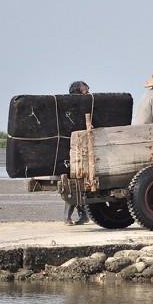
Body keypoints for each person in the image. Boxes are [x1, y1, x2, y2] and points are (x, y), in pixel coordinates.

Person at [64, 80, 90, 225]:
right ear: (79, 91)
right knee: (74, 185)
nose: (88, 91)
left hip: (80, 149)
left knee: (77, 185)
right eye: (86, 89)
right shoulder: (76, 106)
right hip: (75, 150)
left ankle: (82, 215)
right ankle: (68, 216)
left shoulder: (72, 106)